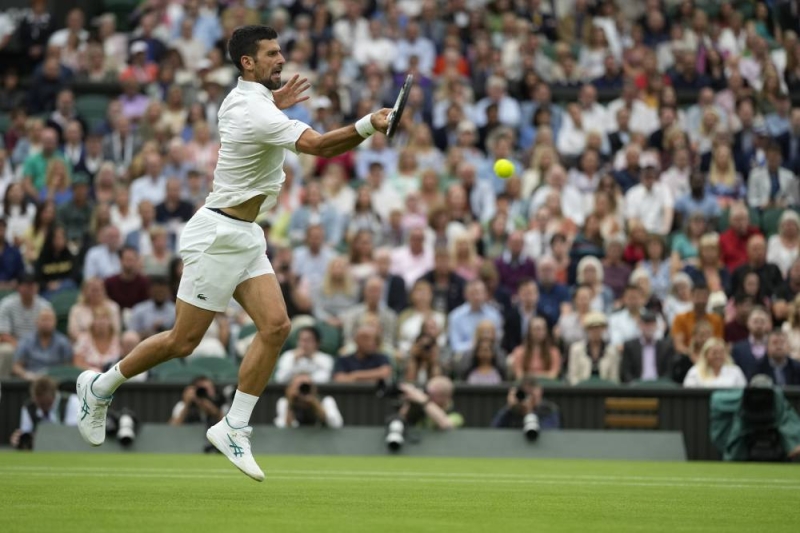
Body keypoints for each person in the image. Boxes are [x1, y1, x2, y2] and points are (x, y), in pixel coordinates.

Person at [0, 274, 53, 378]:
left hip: (39, 343)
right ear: (19, 287)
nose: (31, 288)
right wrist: (22, 347)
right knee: (5, 351)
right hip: (14, 343)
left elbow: (49, 332)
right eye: (27, 285)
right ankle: (3, 385)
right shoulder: (7, 304)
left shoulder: (45, 306)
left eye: (33, 285)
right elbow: (3, 334)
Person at [10, 376, 79, 450]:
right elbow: (26, 436)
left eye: (47, 404)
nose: (43, 408)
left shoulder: (72, 402)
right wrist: (18, 440)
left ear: (54, 395)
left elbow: (73, 434)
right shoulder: (29, 407)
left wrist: (40, 438)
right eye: (40, 404)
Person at [11, 308, 74, 380]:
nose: (46, 323)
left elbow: (68, 367)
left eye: (49, 320)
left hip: (55, 381)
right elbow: (16, 366)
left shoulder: (63, 342)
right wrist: (26, 374)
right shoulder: (26, 341)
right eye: (43, 320)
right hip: (30, 381)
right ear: (36, 321)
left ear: (55, 322)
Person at [620, 311, 675, 383]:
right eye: (646, 324)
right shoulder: (630, 346)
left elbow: (669, 372)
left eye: (652, 324)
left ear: (656, 326)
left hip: (659, 388)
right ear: (640, 325)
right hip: (637, 388)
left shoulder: (665, 347)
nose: (649, 328)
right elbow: (625, 372)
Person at [567, 311, 620, 385]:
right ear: (587, 330)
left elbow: (614, 378)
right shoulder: (576, 349)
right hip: (581, 392)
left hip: (605, 390)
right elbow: (572, 377)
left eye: (598, 328)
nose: (595, 331)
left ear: (603, 329)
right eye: (592, 328)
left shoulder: (612, 351)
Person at [671, 282, 724, 355]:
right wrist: (694, 356)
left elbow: (719, 343)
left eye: (704, 297)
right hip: (687, 357)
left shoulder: (716, 319)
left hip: (712, 357)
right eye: (698, 296)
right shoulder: (680, 318)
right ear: (691, 296)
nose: (701, 300)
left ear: (708, 298)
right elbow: (679, 346)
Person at [274, 373, 343, 428]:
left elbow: (336, 424)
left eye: (307, 385)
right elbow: (283, 427)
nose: (303, 389)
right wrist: (291, 403)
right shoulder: (284, 402)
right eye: (299, 386)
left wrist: (315, 403)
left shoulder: (326, 401)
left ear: (313, 388)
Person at [491, 376, 561, 430]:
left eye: (531, 392)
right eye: (526, 393)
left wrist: (529, 413)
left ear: (540, 391)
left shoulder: (549, 410)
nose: (529, 397)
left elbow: (550, 433)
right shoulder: (512, 412)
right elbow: (494, 429)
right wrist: (510, 407)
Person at [397, 377, 464, 430]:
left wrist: (424, 401)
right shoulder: (421, 407)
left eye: (433, 395)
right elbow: (401, 420)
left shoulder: (455, 414)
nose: (428, 396)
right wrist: (410, 401)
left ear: (446, 398)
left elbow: (446, 425)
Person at [731, 307, 773, 381]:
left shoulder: (774, 346)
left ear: (768, 324)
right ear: (748, 323)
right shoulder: (738, 348)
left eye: (762, 322)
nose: (759, 325)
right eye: (755, 321)